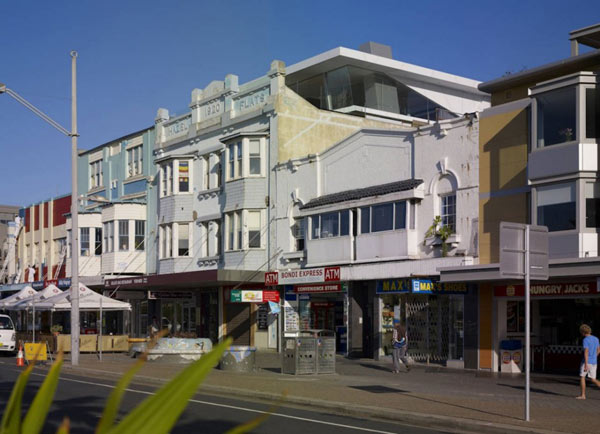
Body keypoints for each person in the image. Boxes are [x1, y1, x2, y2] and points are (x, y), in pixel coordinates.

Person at [576, 324, 600, 399]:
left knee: (582, 377)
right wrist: (594, 357)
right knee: (593, 379)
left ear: (582, 332)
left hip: (586, 361)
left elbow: (586, 352)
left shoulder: (585, 340)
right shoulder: (596, 338)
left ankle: (583, 395)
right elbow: (599, 350)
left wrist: (586, 364)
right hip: (594, 362)